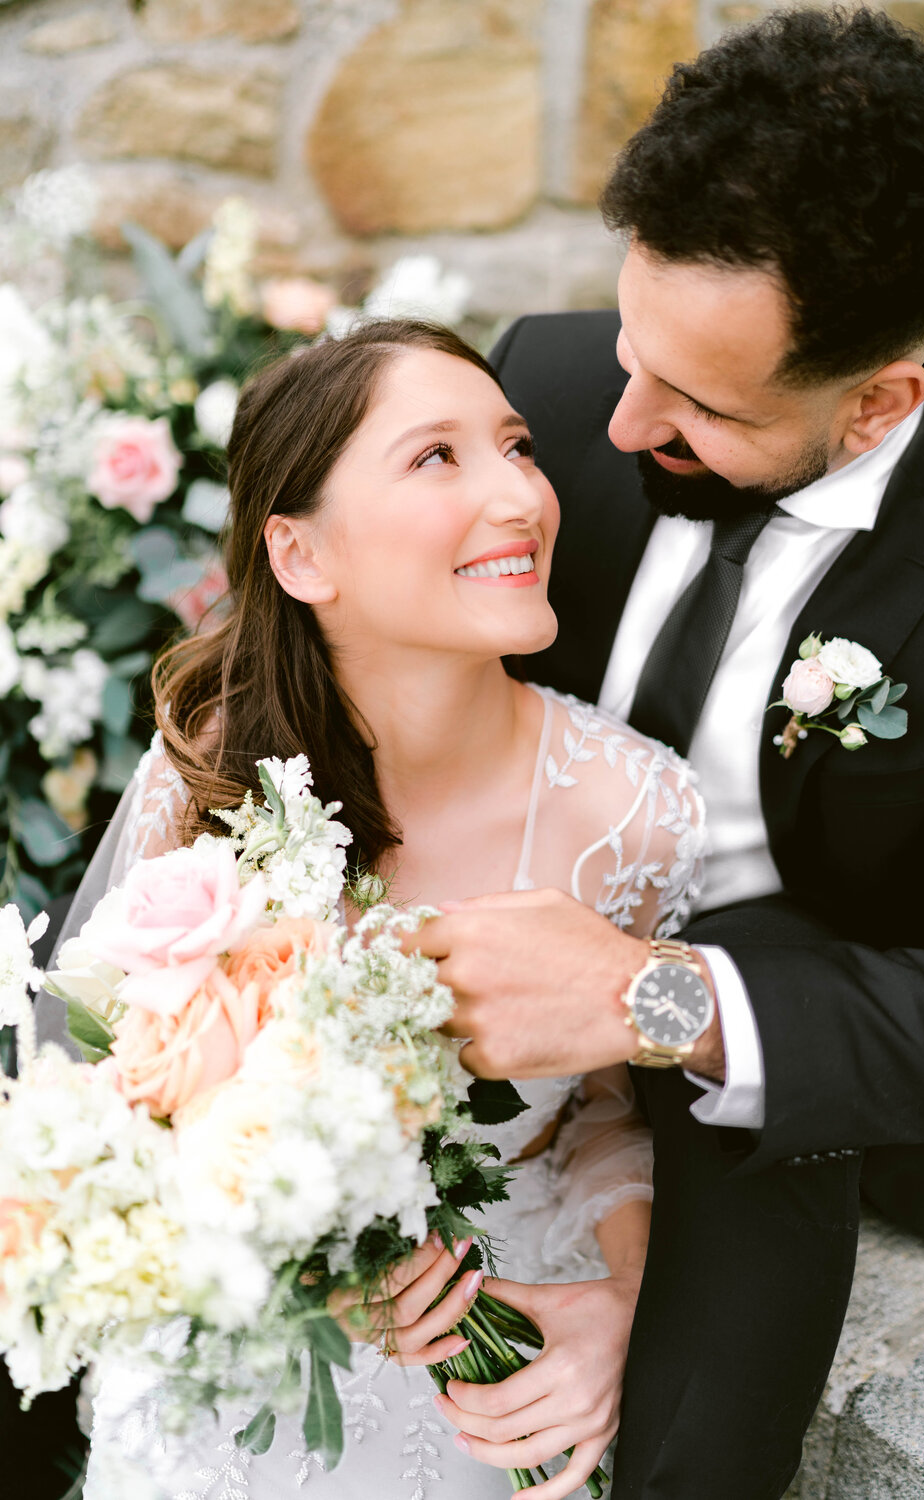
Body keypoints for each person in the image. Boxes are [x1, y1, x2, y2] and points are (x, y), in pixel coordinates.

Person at [403, 9, 924, 1499]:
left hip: (764, 1068)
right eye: (627, 346)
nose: (613, 420)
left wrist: (646, 1000)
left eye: (701, 404)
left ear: (879, 396)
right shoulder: (534, 389)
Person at [68, 319, 705, 1500]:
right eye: (436, 458)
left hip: (486, 1384)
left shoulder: (639, 814)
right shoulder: (208, 772)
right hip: (239, 1366)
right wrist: (278, 1243)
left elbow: (619, 1113)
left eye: (514, 447)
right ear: (302, 555)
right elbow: (110, 1091)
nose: (518, 493)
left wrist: (619, 1305)